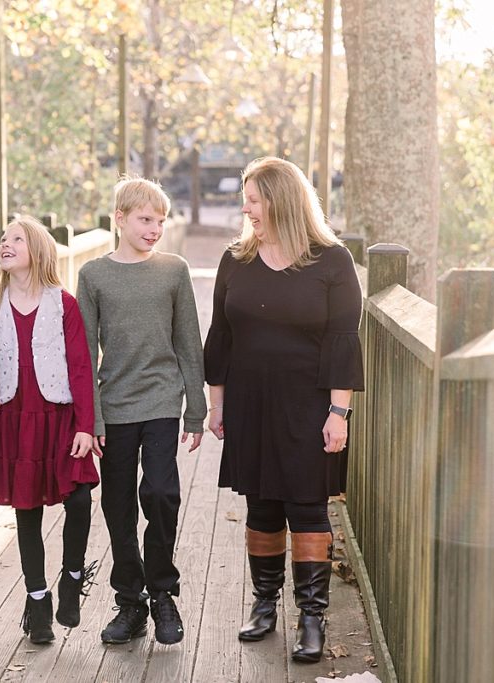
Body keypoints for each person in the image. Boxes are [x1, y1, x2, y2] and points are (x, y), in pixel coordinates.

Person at [204, 157, 364, 662]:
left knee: (308, 506)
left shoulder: (331, 261)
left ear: (281, 200)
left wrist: (338, 414)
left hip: (310, 404)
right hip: (250, 401)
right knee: (263, 505)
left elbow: (343, 341)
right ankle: (264, 605)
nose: (245, 208)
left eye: (253, 199)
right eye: (246, 199)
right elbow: (221, 336)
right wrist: (217, 403)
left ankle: (312, 615)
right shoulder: (236, 259)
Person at [77, 177, 206, 646]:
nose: (154, 229)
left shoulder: (174, 271)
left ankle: (162, 593)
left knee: (160, 493)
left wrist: (196, 410)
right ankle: (129, 603)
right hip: (113, 407)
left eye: (160, 221)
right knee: (117, 506)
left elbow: (188, 342)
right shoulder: (93, 275)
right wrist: (90, 419)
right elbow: (84, 354)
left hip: (161, 400)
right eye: (144, 220)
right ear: (120, 219)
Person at [0, 216, 100, 645]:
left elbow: (81, 368)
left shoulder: (64, 304)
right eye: (3, 239)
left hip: (61, 419)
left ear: (38, 251)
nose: (5, 244)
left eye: (16, 239)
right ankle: (37, 600)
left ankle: (72, 577)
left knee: (78, 500)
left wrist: (85, 426)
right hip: (15, 421)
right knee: (26, 511)